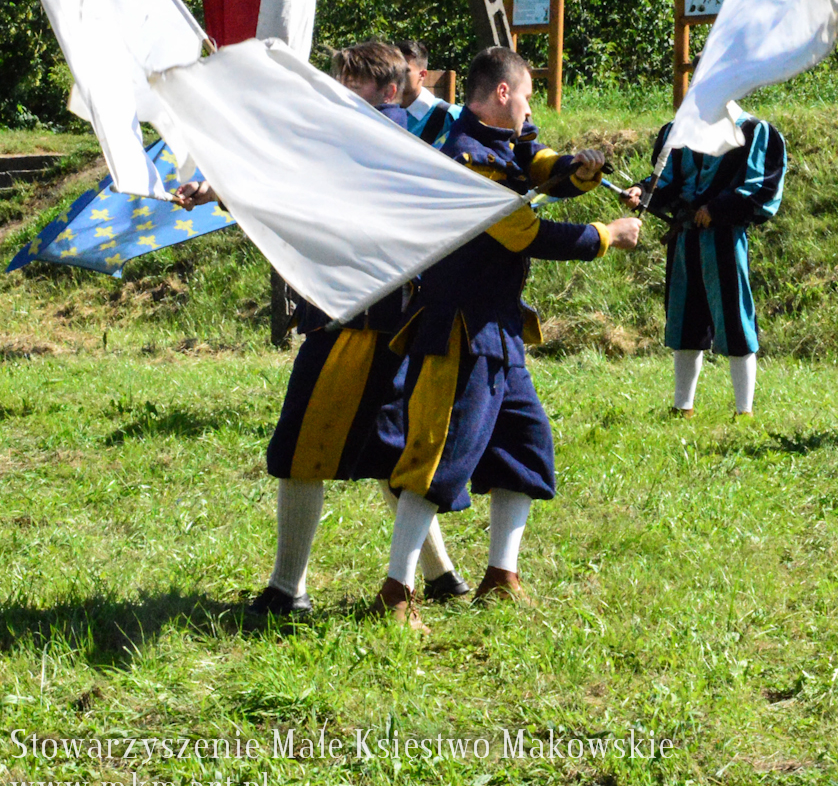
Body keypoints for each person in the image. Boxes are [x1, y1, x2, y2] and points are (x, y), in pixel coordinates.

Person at [180, 42, 469, 616]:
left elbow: (302, 187)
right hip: (372, 319)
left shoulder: (377, 140)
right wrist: (219, 189)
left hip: (359, 324)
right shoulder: (359, 138)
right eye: (338, 81)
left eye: (353, 84)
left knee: (299, 450)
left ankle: (288, 591)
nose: (339, 93)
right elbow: (294, 183)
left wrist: (226, 187)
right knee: (388, 454)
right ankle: (443, 578)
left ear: (390, 92)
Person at [367, 47, 642, 628]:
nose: (529, 108)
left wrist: (579, 169)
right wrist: (607, 235)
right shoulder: (467, 158)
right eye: (526, 96)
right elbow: (524, 233)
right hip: (460, 331)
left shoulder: (497, 143)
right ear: (501, 94)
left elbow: (535, 162)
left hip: (497, 330)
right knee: (436, 459)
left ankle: (502, 578)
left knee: (523, 447)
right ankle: (396, 591)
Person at [622, 113, 786, 419]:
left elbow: (762, 187)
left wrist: (718, 209)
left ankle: (744, 411)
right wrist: (642, 192)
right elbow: (666, 181)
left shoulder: (755, 132)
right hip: (684, 239)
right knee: (685, 322)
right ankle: (682, 407)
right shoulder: (677, 131)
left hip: (726, 240)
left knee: (735, 321)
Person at [396, 40, 461, 146]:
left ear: (422, 74)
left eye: (404, 70)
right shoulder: (380, 112)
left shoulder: (451, 116)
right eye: (394, 69)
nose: (396, 75)